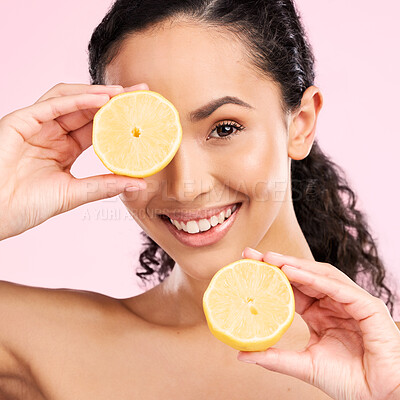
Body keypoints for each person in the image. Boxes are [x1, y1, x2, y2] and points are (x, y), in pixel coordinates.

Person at [0, 0, 399, 399]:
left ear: (301, 125)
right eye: (151, 137)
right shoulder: (43, 344)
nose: (184, 186)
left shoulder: (386, 368)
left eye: (224, 129)